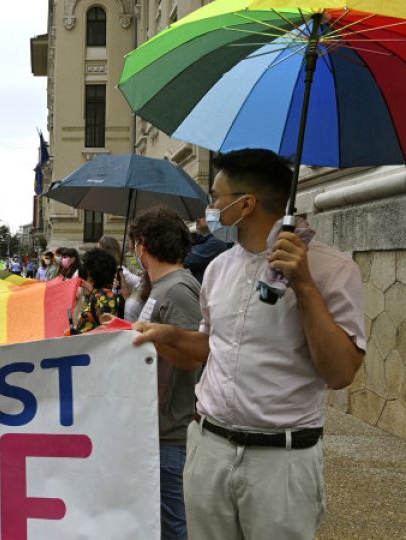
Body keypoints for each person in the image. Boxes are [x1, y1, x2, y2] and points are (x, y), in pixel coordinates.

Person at [133, 149, 366, 540]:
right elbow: (214, 348)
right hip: (209, 449)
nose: (209, 209)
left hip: (281, 463)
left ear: (245, 204)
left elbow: (341, 372)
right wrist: (169, 337)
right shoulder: (218, 269)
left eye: (214, 198)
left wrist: (304, 285)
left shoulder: (334, 269)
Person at [129, 206, 202, 540]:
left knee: (175, 528)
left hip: (172, 433)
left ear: (141, 245)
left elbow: (193, 356)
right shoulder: (163, 287)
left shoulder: (177, 290)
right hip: (157, 429)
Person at [66, 248, 120, 334]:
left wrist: (79, 335)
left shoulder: (106, 296)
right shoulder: (100, 293)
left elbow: (107, 329)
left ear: (94, 271)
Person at [184, 217, 231, 283]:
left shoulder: (218, 242)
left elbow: (186, 259)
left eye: (206, 217)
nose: (200, 219)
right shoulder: (203, 237)